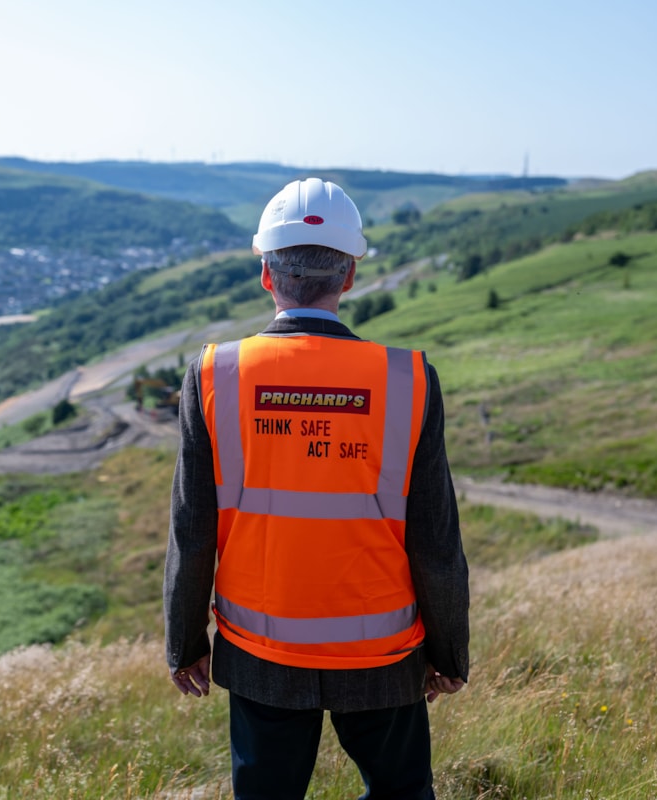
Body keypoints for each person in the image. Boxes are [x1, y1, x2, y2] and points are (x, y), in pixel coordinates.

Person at [163, 178, 469, 799]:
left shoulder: (215, 374)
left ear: (267, 275)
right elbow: (435, 539)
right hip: (382, 653)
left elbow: (192, 531)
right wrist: (449, 651)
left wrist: (185, 641)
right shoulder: (408, 379)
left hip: (260, 652)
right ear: (350, 275)